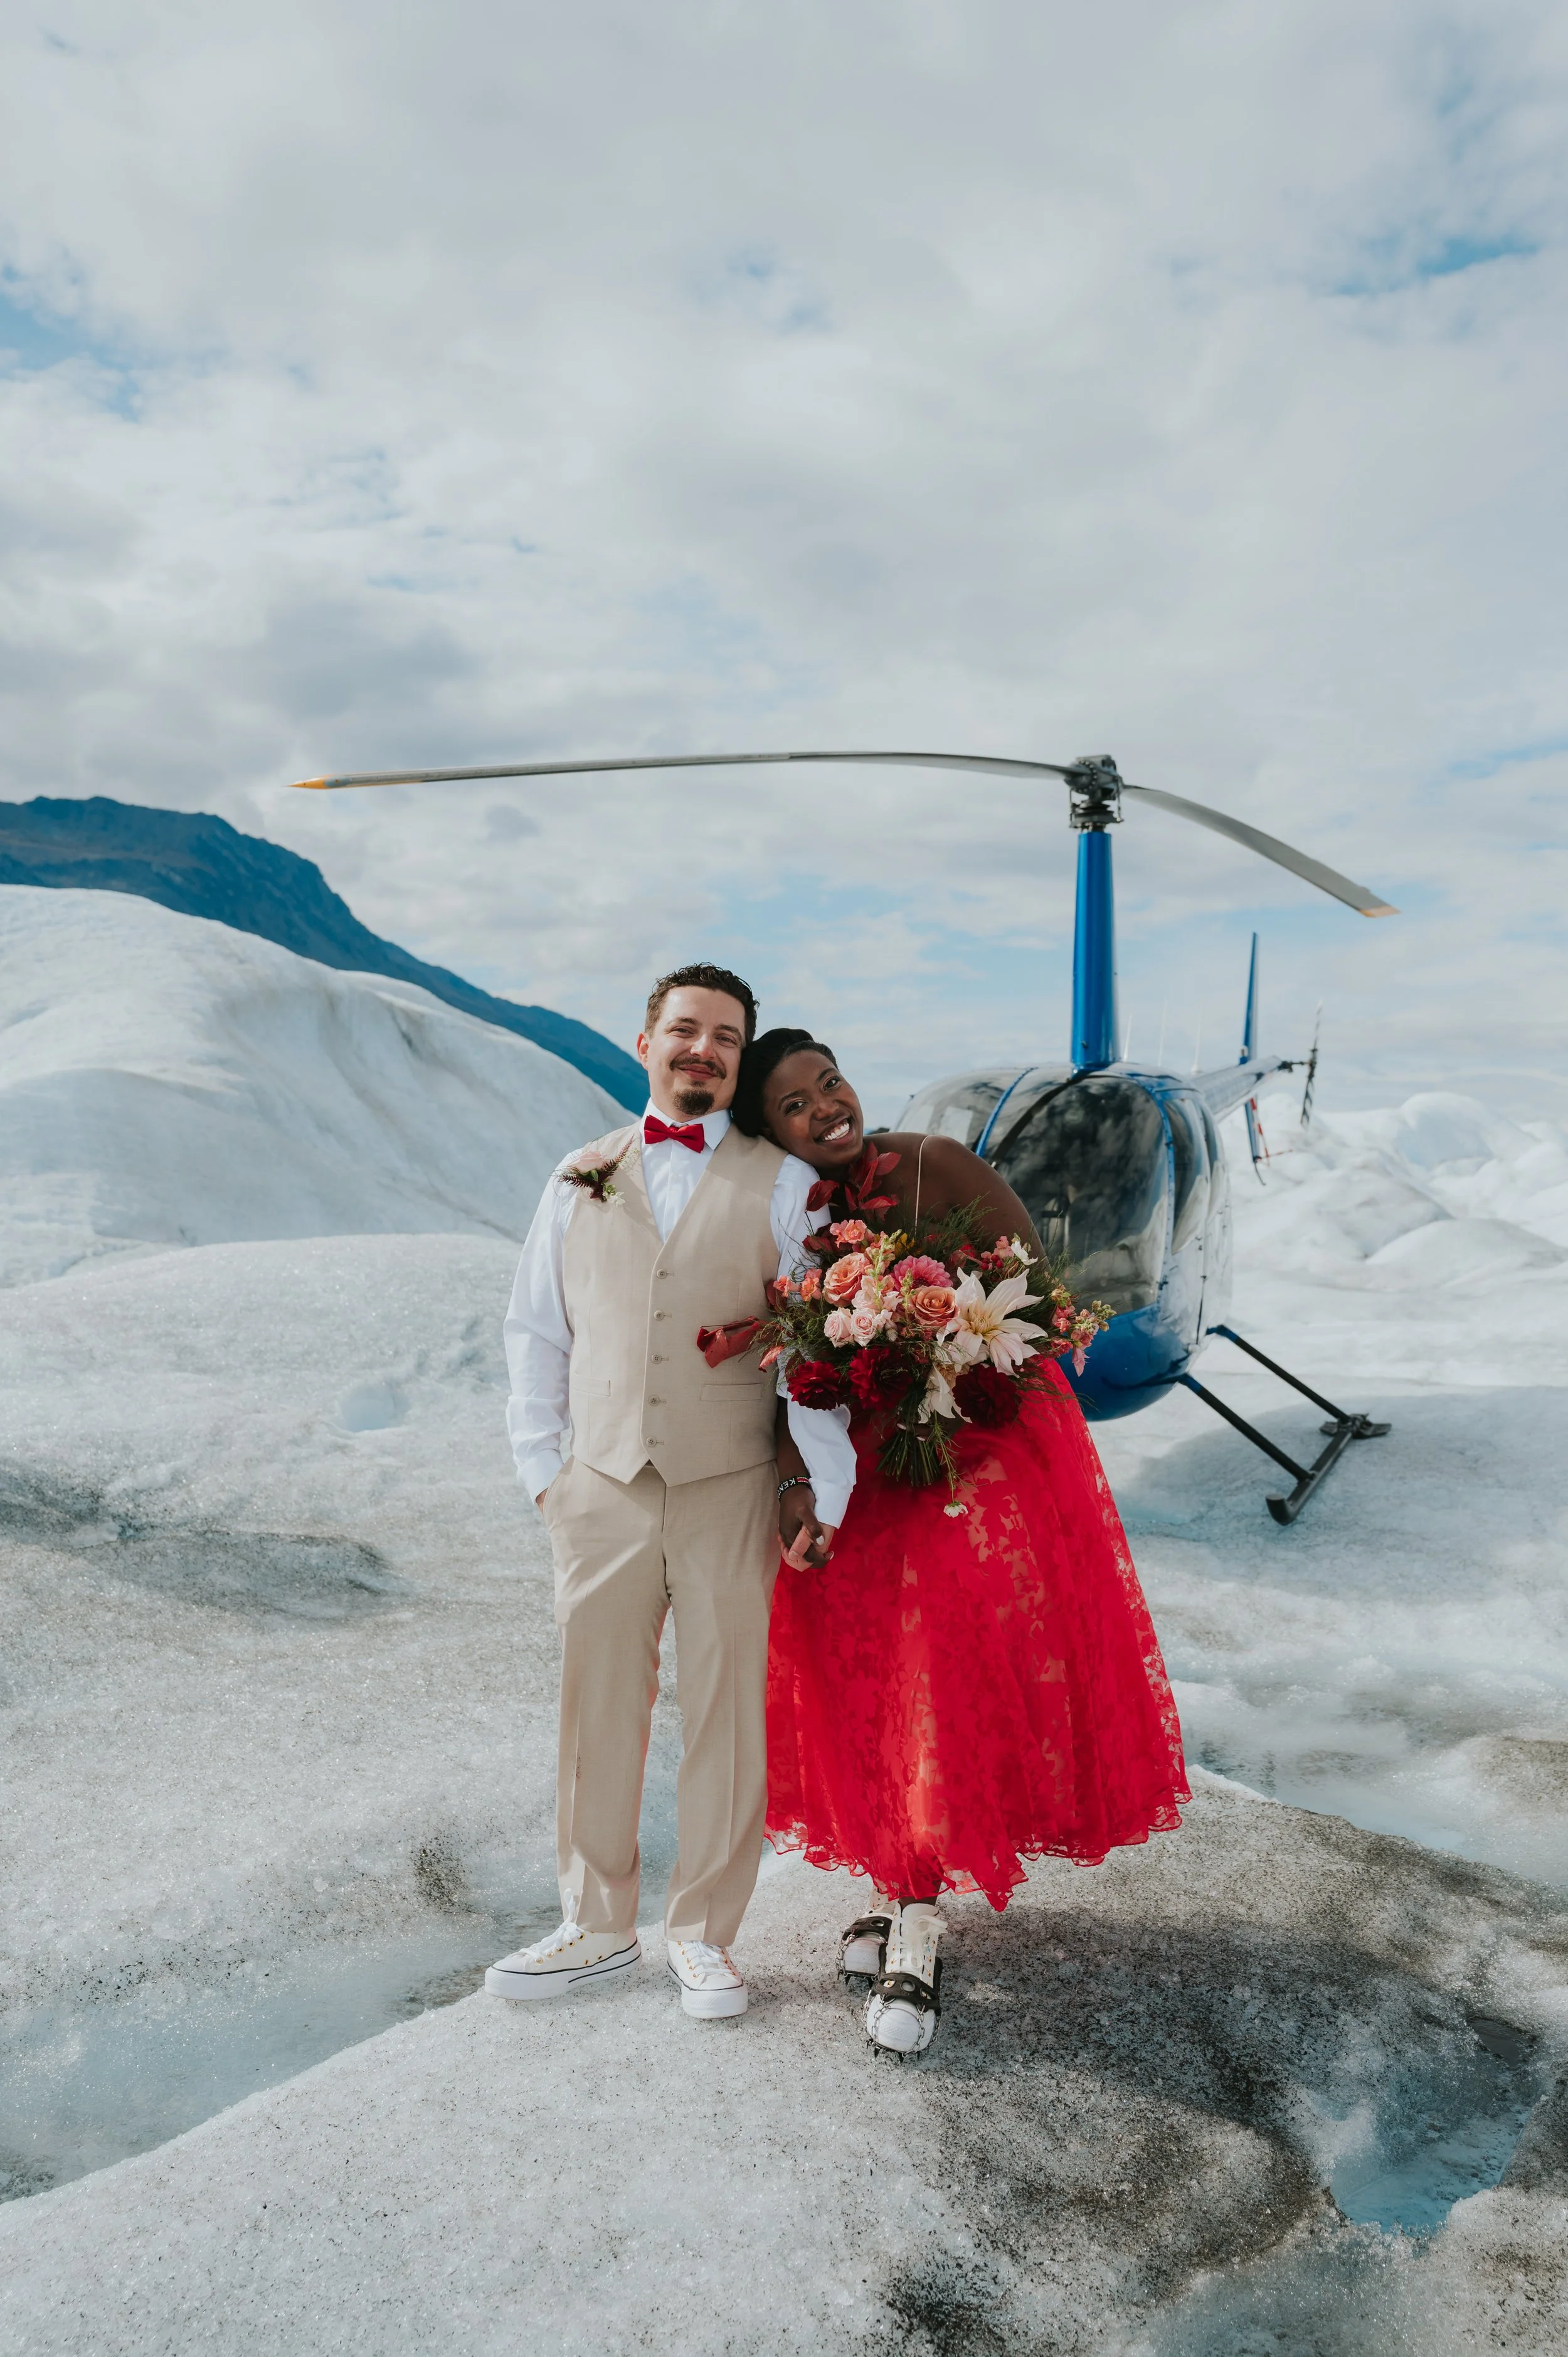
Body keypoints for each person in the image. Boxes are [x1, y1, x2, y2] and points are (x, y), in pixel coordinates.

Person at [731, 1028, 1190, 2057]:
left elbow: (1040, 1303)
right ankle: (898, 1879)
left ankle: (918, 1919)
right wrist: (802, 1470)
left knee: (939, 1674)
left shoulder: (935, 1162)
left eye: (830, 1083)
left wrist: (935, 1360)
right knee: (867, 1679)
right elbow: (778, 1356)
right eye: (797, 1107)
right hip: (858, 1474)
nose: (826, 1110)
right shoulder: (788, 1211)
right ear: (772, 1134)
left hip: (970, 1461)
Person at [493, 969, 855, 2021]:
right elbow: (536, 1334)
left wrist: (819, 1491)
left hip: (728, 1487)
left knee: (726, 1714)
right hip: (599, 1485)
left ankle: (704, 1935)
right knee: (594, 1709)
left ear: (738, 1063)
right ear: (645, 1041)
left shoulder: (781, 1185)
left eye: (726, 1039)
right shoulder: (580, 1175)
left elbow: (806, 1361)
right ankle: (596, 1926)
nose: (704, 1050)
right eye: (685, 1031)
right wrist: (544, 1477)